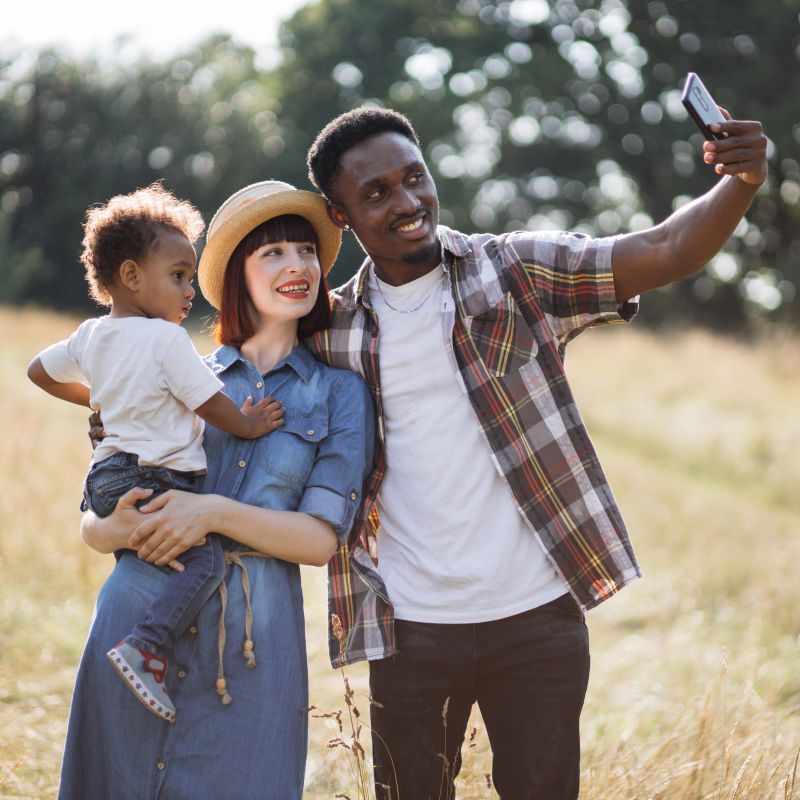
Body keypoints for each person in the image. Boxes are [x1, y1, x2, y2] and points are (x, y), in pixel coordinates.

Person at [304, 105, 768, 799]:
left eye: (414, 178)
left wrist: (742, 181)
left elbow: (669, 248)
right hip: (409, 629)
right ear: (340, 216)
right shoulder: (330, 331)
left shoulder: (514, 269)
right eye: (376, 193)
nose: (407, 202)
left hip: (537, 618)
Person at [57, 180, 374, 799]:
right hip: (134, 616)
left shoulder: (338, 394)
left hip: (251, 648)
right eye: (274, 253)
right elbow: (95, 518)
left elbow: (316, 542)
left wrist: (210, 512)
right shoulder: (181, 372)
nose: (298, 266)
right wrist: (109, 528)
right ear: (236, 275)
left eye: (306, 251)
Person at [27, 184, 285, 723]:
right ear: (130, 276)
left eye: (190, 277)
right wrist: (250, 423)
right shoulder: (167, 341)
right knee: (205, 559)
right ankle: (147, 647)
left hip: (105, 482)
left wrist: (94, 399)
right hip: (156, 480)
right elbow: (211, 402)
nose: (189, 291)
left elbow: (38, 372)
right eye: (178, 276)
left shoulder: (92, 335)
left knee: (159, 558)